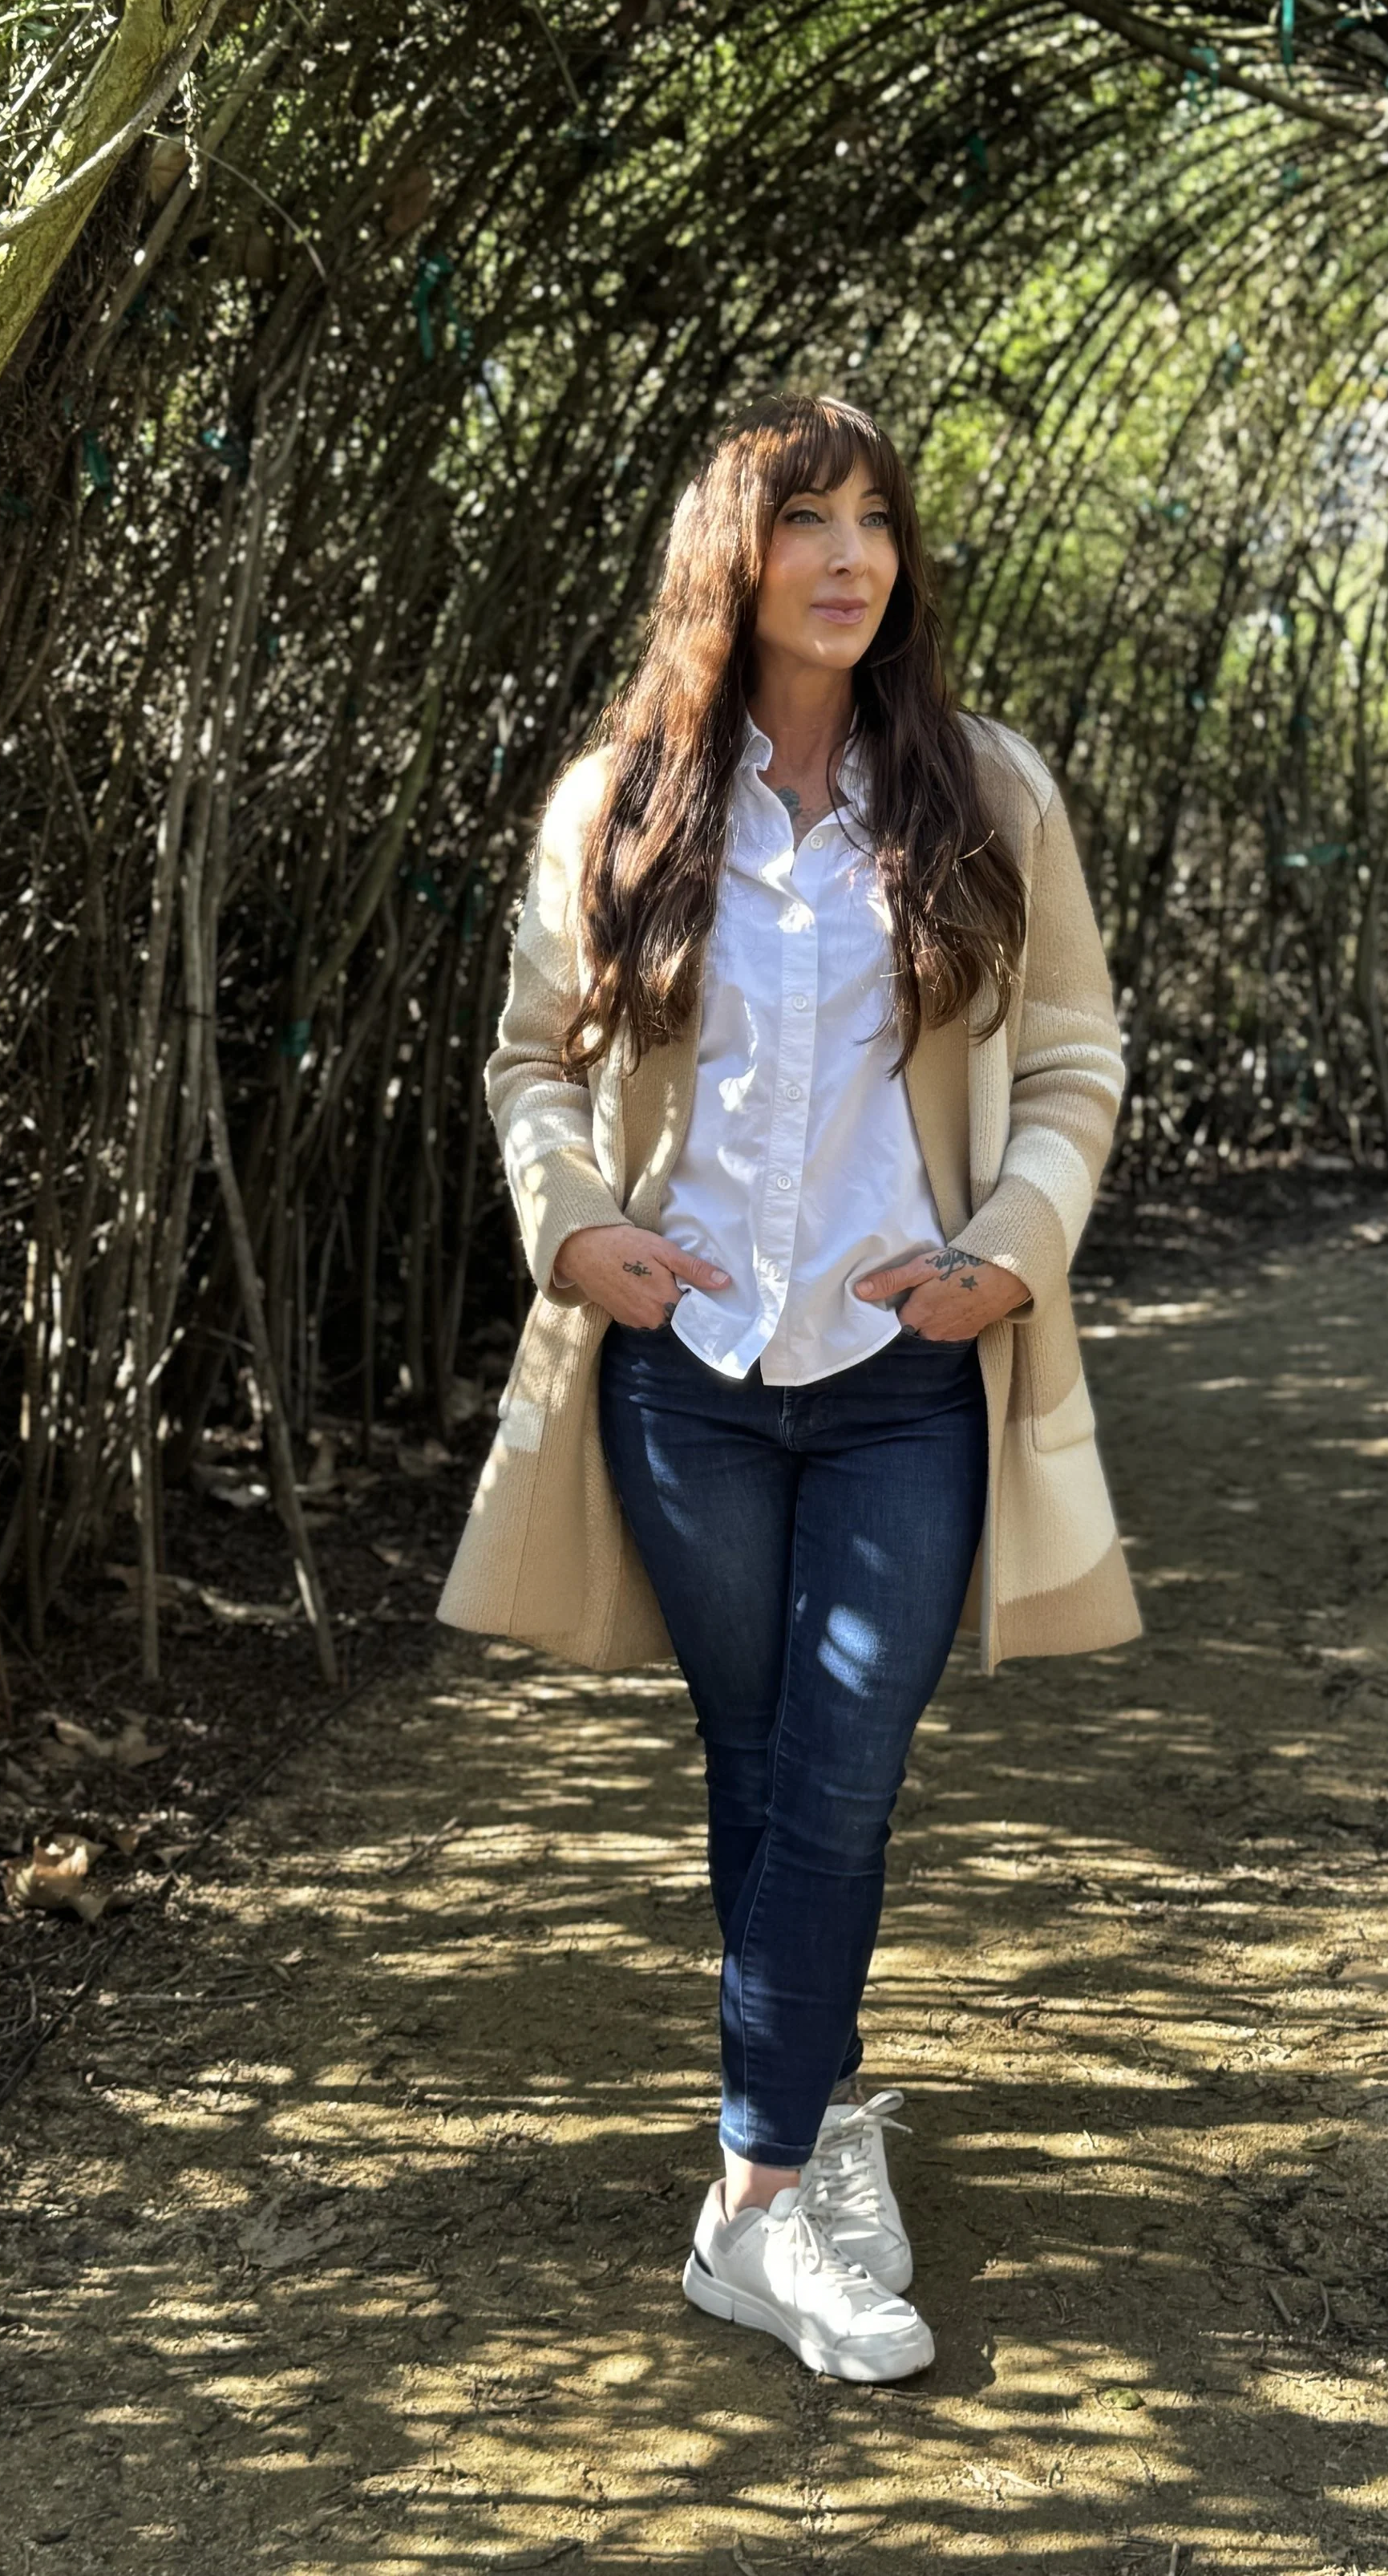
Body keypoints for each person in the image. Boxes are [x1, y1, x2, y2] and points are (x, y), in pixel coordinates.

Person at [439, 391, 1140, 2382]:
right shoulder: (621, 802)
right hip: (692, 1372)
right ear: (727, 558)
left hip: (906, 1369)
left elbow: (1073, 1055)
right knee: (757, 1765)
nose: (849, 557)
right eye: (805, 519)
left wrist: (1003, 1251)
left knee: (839, 1767)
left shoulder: (984, 790)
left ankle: (750, 2205)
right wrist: (576, 1229)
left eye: (875, 521)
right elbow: (532, 1060)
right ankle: (809, 2140)